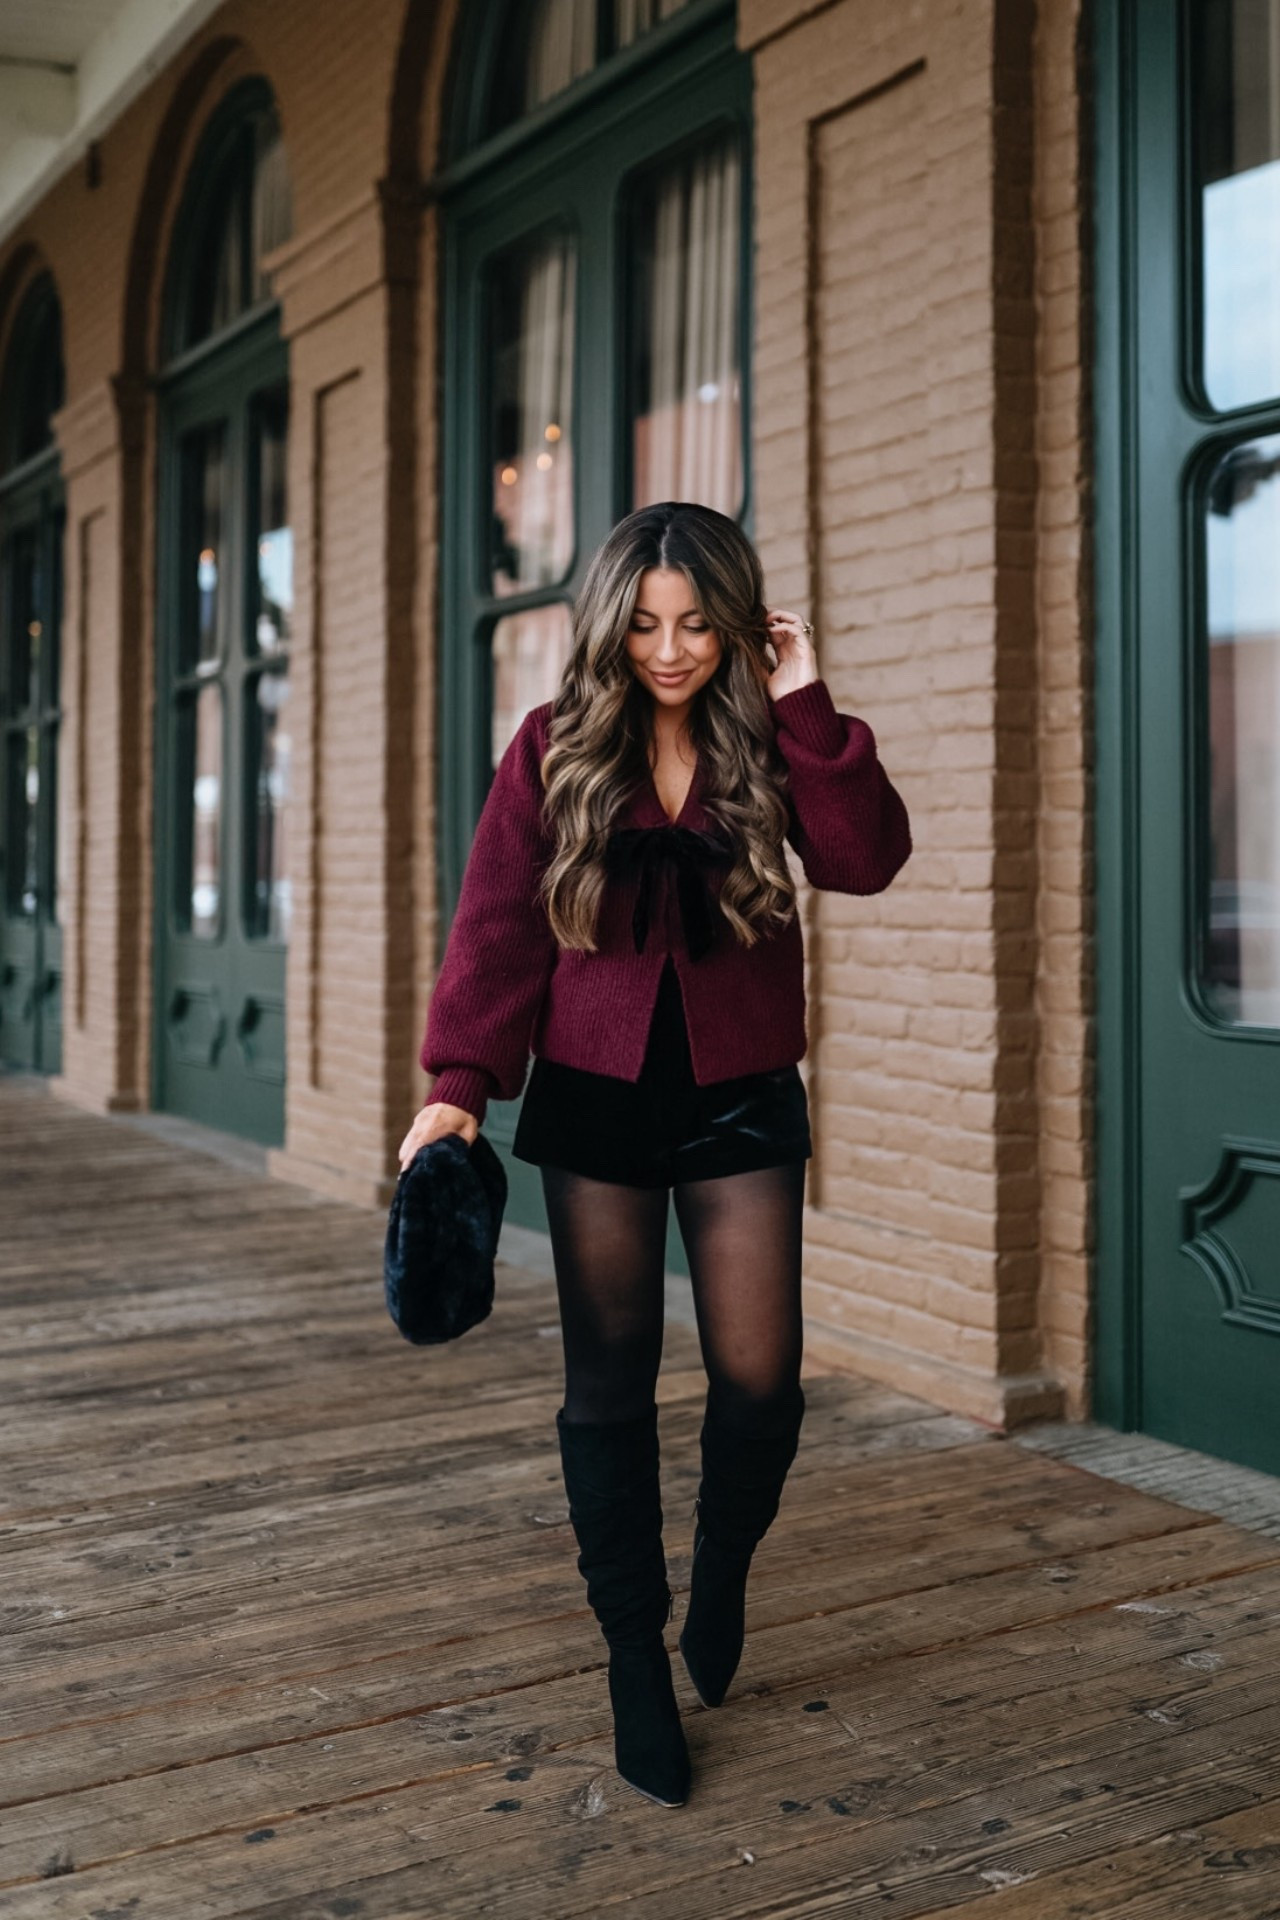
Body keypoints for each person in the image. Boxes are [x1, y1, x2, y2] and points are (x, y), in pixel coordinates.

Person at [398, 500, 912, 1808]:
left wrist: (804, 698)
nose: (671, 651)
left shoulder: (769, 738)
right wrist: (457, 1087)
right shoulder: (553, 748)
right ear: (609, 625)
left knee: (761, 1383)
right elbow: (498, 930)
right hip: (596, 1101)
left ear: (734, 624)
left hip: (742, 1096)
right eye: (645, 625)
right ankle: (633, 1654)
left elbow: (865, 858)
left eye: (695, 625)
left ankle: (724, 1564)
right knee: (609, 1389)